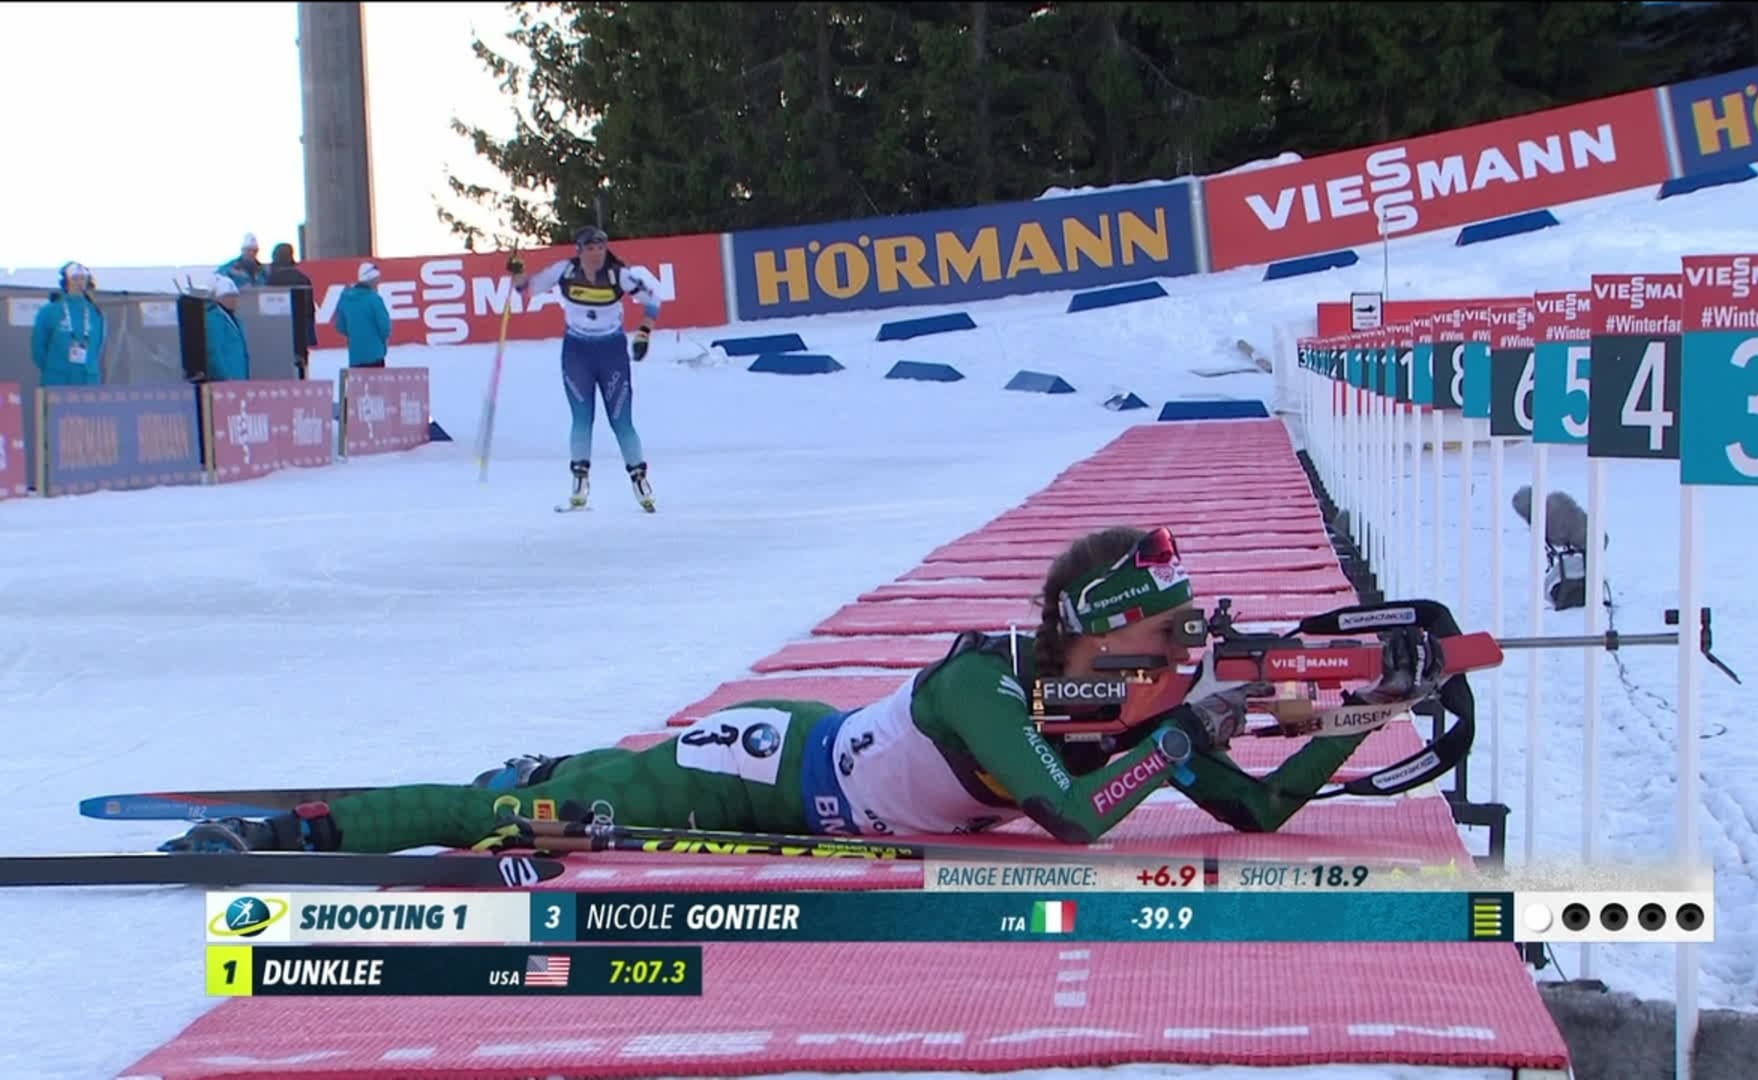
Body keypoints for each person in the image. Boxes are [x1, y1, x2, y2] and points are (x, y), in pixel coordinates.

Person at [160, 526, 1446, 856]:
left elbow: (1261, 811)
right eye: (1167, 634)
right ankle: (293, 831)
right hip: (763, 774)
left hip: (829, 767)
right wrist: (1188, 732)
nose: (1188, 649)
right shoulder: (982, 684)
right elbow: (1075, 820)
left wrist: (1361, 713)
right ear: (1102, 638)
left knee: (558, 798)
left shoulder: (1134, 708)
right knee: (538, 817)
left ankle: (537, 772)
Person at [507, 226, 660, 511]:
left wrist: (644, 333)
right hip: (577, 353)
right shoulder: (564, 271)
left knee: (621, 420)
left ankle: (640, 480)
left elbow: (652, 300)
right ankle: (579, 482)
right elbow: (525, 288)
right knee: (581, 418)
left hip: (611, 353)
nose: (596, 254)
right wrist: (517, 272)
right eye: (590, 249)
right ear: (579, 251)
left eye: (600, 248)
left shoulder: (618, 275)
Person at [31, 262, 105, 386]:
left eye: (83, 278)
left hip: (87, 380)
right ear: (66, 281)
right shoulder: (49, 311)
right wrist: (54, 370)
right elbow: (38, 348)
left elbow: (97, 348)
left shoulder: (95, 312)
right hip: (57, 380)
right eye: (75, 278)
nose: (79, 282)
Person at [265, 243, 318, 379]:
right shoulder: (303, 278)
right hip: (300, 335)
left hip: (277, 335)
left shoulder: (271, 280)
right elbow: (310, 310)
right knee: (300, 372)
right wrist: (310, 336)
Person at [331, 262, 391, 369]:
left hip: (355, 357)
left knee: (357, 380)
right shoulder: (374, 299)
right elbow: (385, 327)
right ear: (370, 280)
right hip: (375, 355)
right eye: (376, 279)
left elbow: (340, 326)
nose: (378, 282)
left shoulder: (345, 299)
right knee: (375, 380)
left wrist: (355, 334)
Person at [201, 276, 251, 382]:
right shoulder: (213, 319)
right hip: (226, 381)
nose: (234, 300)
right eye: (228, 296)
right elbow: (213, 352)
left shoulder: (236, 319)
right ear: (217, 298)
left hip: (240, 378)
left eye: (235, 296)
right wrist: (224, 377)